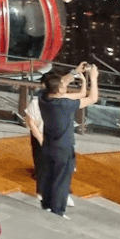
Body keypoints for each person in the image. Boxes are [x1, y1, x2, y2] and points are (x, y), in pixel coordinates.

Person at [38, 63, 98, 216]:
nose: (65, 86)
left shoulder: (43, 97)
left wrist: (75, 73)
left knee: (50, 176)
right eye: (63, 86)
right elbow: (92, 98)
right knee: (62, 179)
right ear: (59, 90)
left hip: (48, 145)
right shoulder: (65, 104)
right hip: (63, 148)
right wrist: (93, 78)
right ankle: (58, 211)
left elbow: (60, 84)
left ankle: (46, 205)